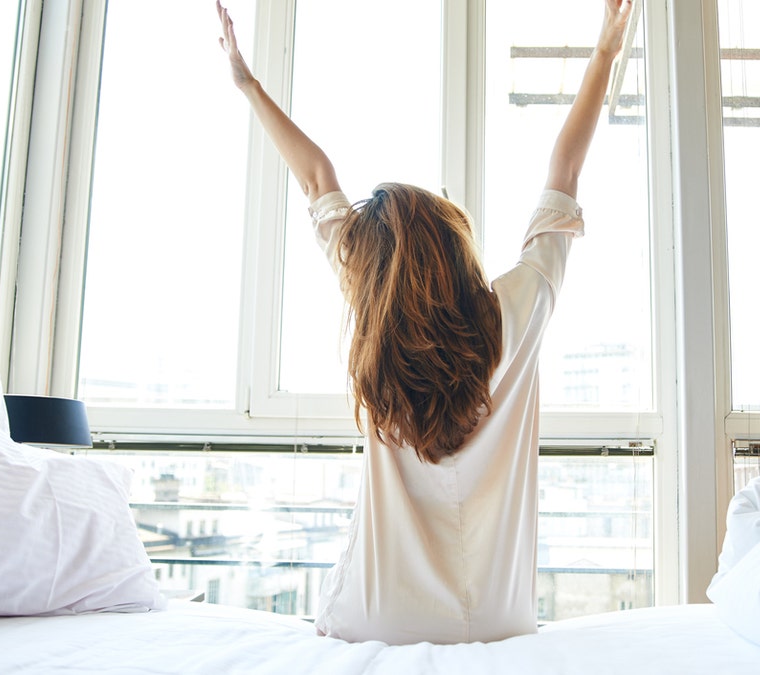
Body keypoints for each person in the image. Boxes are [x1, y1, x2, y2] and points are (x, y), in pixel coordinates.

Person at [217, 0, 633, 645]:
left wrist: (247, 84)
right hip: (498, 618)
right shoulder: (517, 310)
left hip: (381, 615)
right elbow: (566, 171)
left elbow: (316, 177)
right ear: (455, 241)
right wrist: (606, 52)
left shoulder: (372, 315)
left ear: (376, 267)